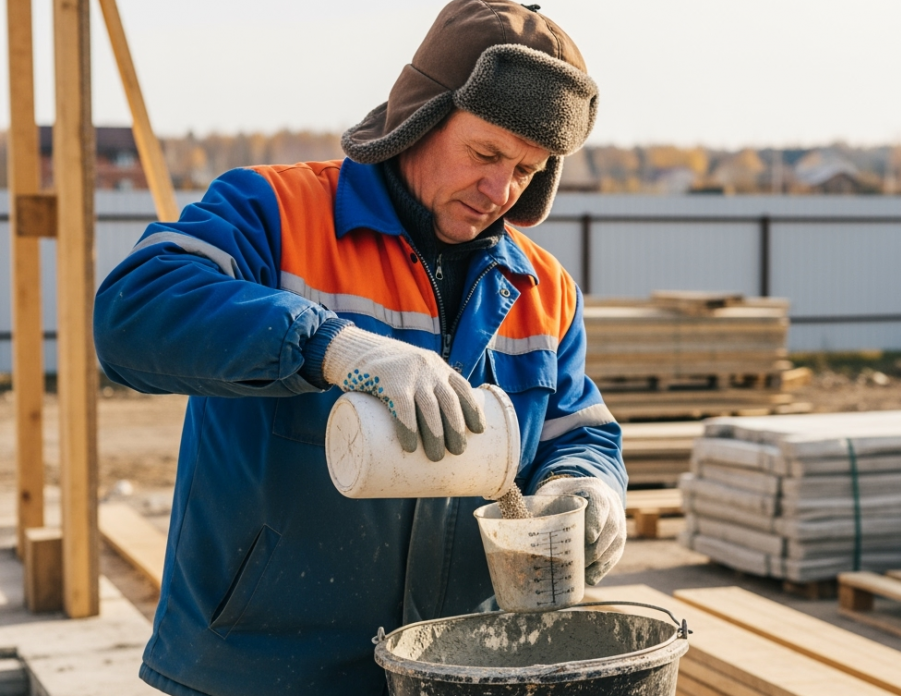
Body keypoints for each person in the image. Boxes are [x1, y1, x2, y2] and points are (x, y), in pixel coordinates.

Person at [92, 2, 626, 694]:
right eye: (486, 153)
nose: (500, 191)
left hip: (456, 669)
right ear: (423, 115)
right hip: (259, 672)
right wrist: (334, 347)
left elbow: (576, 432)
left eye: (527, 170)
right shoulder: (273, 214)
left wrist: (587, 485)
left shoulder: (541, 290)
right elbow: (133, 309)